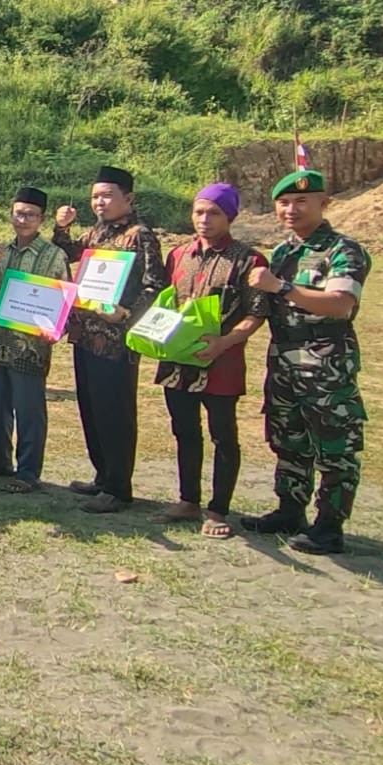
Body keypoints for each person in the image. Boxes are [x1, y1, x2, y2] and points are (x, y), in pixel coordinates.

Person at [240, 169, 372, 555]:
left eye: (301, 201)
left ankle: (330, 525)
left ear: (323, 204)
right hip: (284, 360)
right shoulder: (284, 252)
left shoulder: (343, 250)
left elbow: (341, 304)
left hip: (326, 362)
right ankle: (289, 509)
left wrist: (281, 287)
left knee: (335, 446)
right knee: (289, 439)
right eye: (283, 203)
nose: (291, 209)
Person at [147, 183, 269, 538]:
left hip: (221, 363)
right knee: (184, 431)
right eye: (199, 211)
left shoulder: (249, 260)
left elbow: (256, 314)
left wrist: (224, 342)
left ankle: (217, 510)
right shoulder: (178, 255)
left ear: (229, 216)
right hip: (178, 362)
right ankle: (188, 500)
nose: (204, 219)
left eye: (213, 212)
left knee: (223, 435)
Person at [52, 165, 169, 513]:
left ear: (128, 198)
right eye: (94, 197)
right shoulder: (96, 233)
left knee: (115, 411)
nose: (99, 202)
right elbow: (68, 252)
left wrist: (127, 315)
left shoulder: (140, 235)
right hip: (86, 335)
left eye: (107, 195)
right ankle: (102, 476)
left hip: (116, 339)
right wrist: (61, 226)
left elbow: (155, 285)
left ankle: (119, 487)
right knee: (91, 407)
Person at [0, 186, 69, 493]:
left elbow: (64, 298)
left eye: (30, 215)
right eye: (18, 213)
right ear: (11, 215)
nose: (24, 220)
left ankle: (28, 471)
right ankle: (0, 462)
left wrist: (55, 329)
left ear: (41, 219)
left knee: (28, 409)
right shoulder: (0, 251)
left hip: (31, 345)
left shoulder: (53, 255)